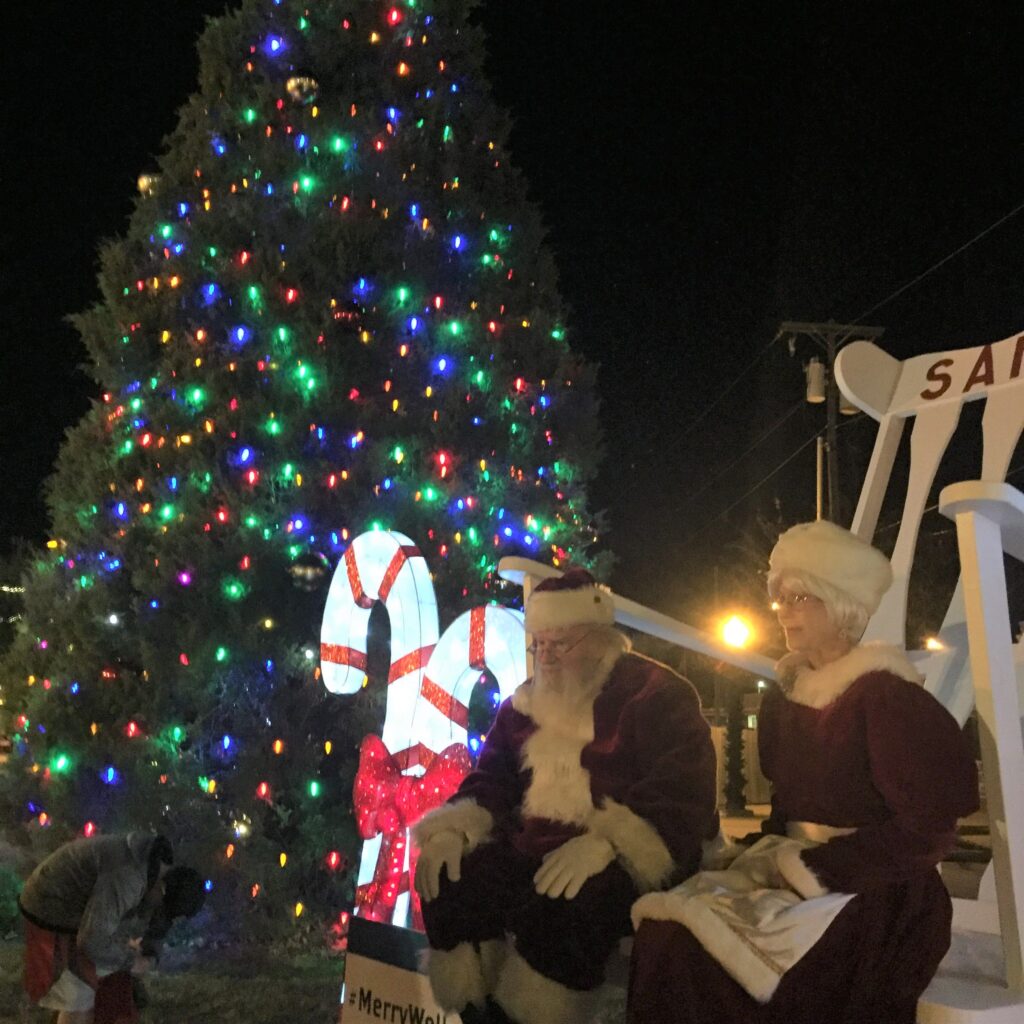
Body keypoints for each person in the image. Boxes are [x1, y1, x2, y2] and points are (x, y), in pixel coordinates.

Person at [628, 520, 980, 1024]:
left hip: (875, 891)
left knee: (697, 951)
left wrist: (818, 870)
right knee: (666, 925)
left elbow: (928, 833)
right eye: (780, 598)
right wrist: (759, 858)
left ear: (838, 605)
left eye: (799, 597)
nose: (783, 611)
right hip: (799, 869)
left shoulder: (886, 698)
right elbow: (788, 810)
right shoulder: (792, 696)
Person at [412, 568, 720, 1024]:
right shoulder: (523, 704)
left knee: (567, 909)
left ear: (599, 638)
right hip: (536, 847)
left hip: (633, 856)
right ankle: (478, 1010)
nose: (547, 658)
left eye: (562, 644)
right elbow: (491, 779)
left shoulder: (657, 694)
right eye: (540, 644)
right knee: (451, 879)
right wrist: (453, 829)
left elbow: (681, 795)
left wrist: (610, 843)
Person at [19, 831, 206, 1024]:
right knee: (79, 991)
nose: (157, 914)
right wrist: (130, 962)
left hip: (82, 911)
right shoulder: (126, 879)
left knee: (105, 970)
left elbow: (157, 923)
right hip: (51, 902)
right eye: (161, 909)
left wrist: (151, 957)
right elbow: (92, 941)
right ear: (162, 889)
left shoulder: (159, 873)